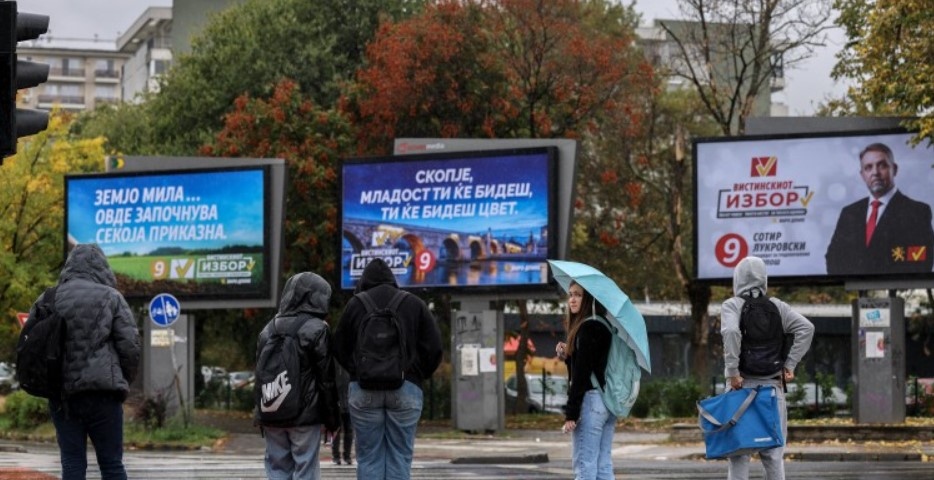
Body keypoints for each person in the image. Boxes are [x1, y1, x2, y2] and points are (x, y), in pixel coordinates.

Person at [35, 243, 141, 480]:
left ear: (69, 267)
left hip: (64, 397)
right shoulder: (112, 297)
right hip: (104, 395)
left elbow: (34, 346)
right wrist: (122, 380)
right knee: (112, 464)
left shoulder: (49, 298)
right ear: (103, 268)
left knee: (72, 463)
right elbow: (130, 347)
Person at [334, 258, 443, 480]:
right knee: (399, 456)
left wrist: (357, 371)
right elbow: (434, 348)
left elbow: (339, 347)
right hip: (406, 389)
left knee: (369, 457)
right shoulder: (414, 304)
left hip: (364, 390)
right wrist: (415, 375)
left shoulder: (356, 304)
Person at [721, 256, 814, 480]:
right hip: (772, 389)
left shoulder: (732, 305)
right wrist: (789, 365)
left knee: (738, 454)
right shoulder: (778, 307)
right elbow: (806, 328)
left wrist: (733, 372)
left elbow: (732, 332)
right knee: (773, 454)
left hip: (740, 389)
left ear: (738, 278)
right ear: (764, 279)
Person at [255, 272, 339, 480]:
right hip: (305, 417)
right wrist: (332, 420)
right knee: (306, 470)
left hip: (272, 412)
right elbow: (326, 380)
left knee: (276, 469)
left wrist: (261, 413)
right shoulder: (317, 329)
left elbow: (260, 375)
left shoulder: (267, 329)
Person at [825, 142, 934, 275]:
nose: (875, 172)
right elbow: (833, 258)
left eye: (882, 165)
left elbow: (922, 259)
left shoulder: (917, 211)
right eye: (868, 168)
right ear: (862, 175)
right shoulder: (849, 213)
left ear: (894, 169)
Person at [555, 281, 615, 479]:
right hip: (607, 402)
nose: (572, 299)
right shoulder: (604, 325)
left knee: (584, 467)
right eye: (570, 294)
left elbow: (580, 376)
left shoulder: (587, 328)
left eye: (578, 295)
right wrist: (569, 354)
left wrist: (571, 413)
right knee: (603, 465)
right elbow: (594, 365)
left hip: (590, 402)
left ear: (588, 298)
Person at [331, 363, 354, 465]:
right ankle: (336, 456)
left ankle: (347, 456)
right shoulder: (334, 362)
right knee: (336, 429)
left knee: (349, 429)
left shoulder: (349, 361)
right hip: (336, 401)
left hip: (349, 400)